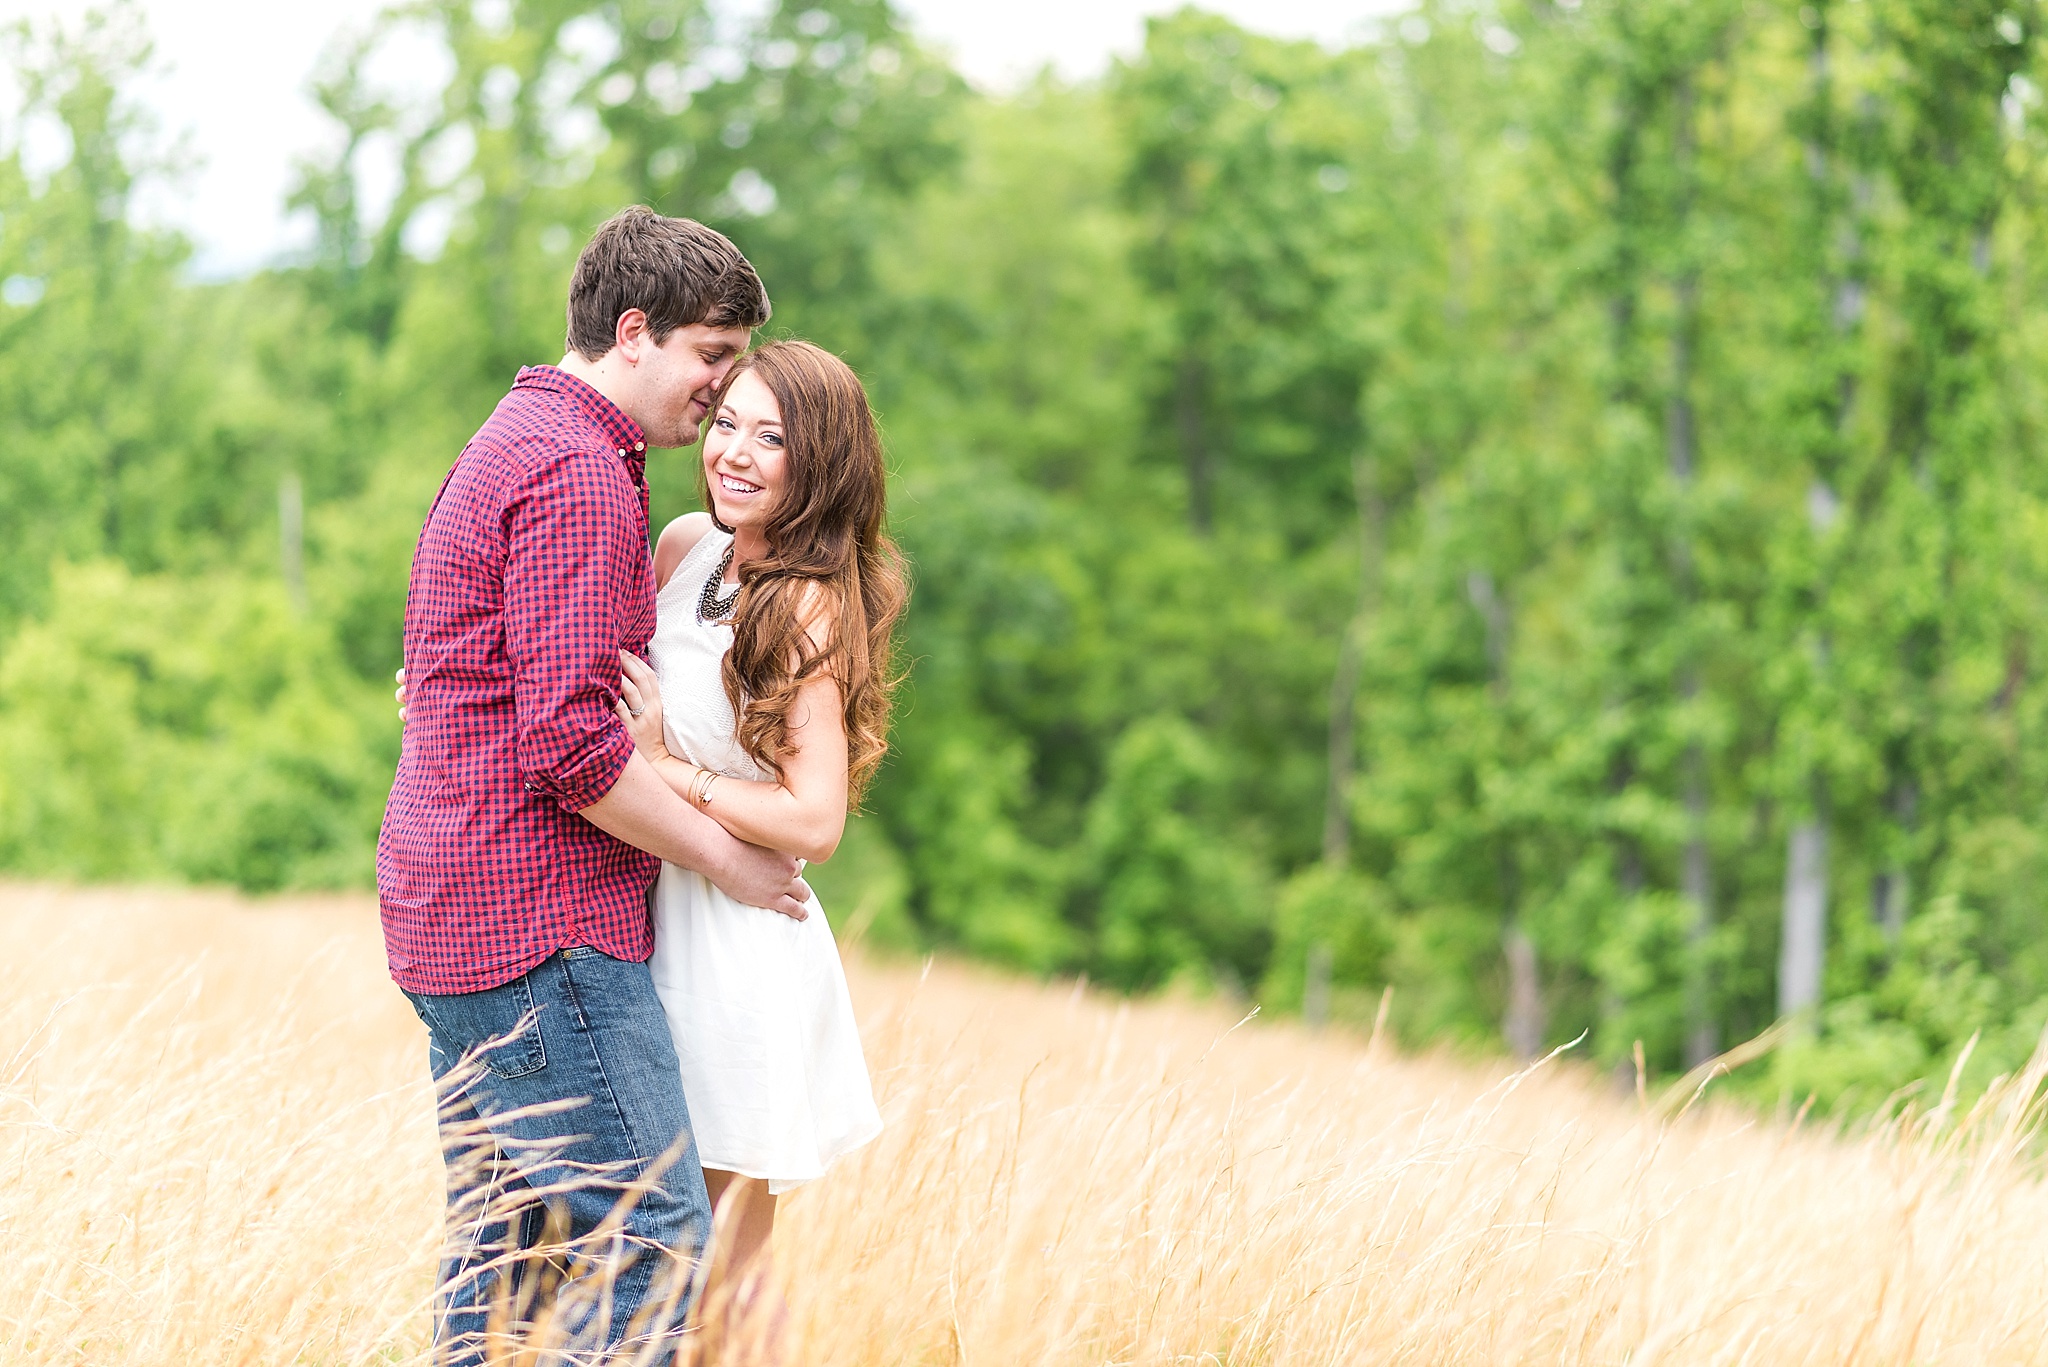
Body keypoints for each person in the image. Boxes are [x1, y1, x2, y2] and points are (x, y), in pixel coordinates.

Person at [378, 207, 810, 1365]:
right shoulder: (577, 472)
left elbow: (441, 670)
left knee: (506, 1250)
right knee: (653, 1233)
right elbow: (572, 748)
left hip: (452, 910)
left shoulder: (515, 433)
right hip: (537, 924)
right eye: (711, 357)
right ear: (634, 331)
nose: (719, 393)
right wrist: (730, 860)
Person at [615, 338, 903, 1317]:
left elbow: (813, 817)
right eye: (725, 421)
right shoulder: (687, 542)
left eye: (768, 436)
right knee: (645, 1251)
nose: (732, 452)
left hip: (736, 938)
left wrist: (669, 769)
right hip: (655, 914)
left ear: (814, 459)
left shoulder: (804, 605)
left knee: (726, 1266)